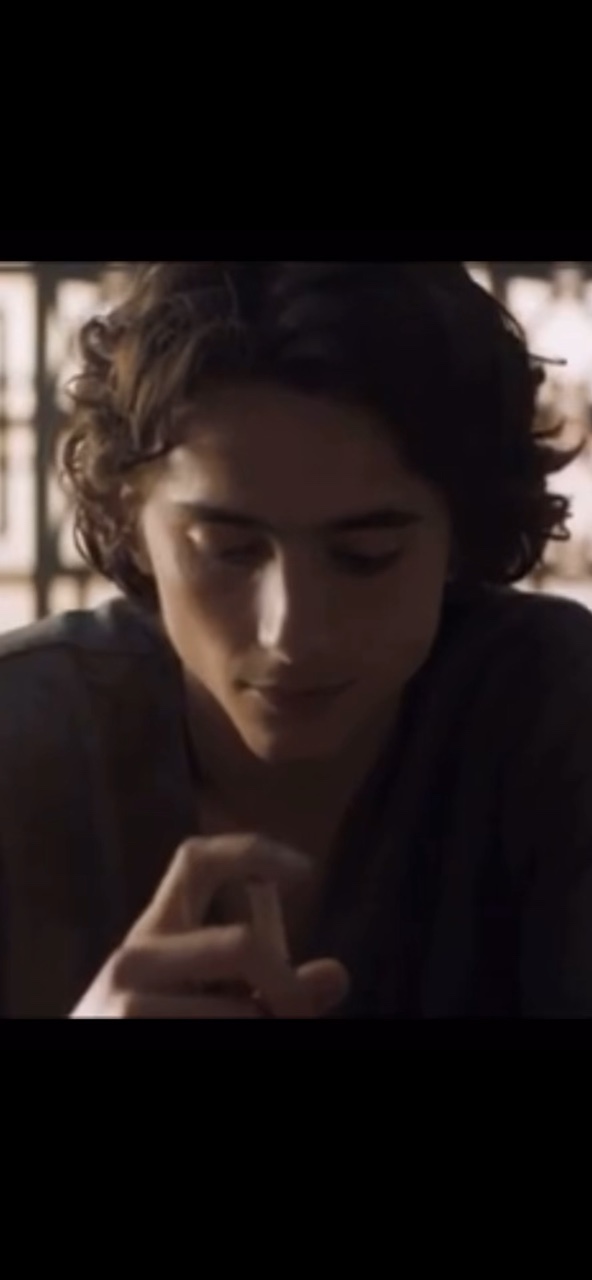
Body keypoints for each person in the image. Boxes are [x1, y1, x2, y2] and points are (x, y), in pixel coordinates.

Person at [1, 260, 592, 1019]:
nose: (292, 633)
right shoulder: (23, 743)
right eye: (227, 549)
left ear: (461, 537)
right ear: (132, 524)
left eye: (366, 557)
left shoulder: (555, 716)